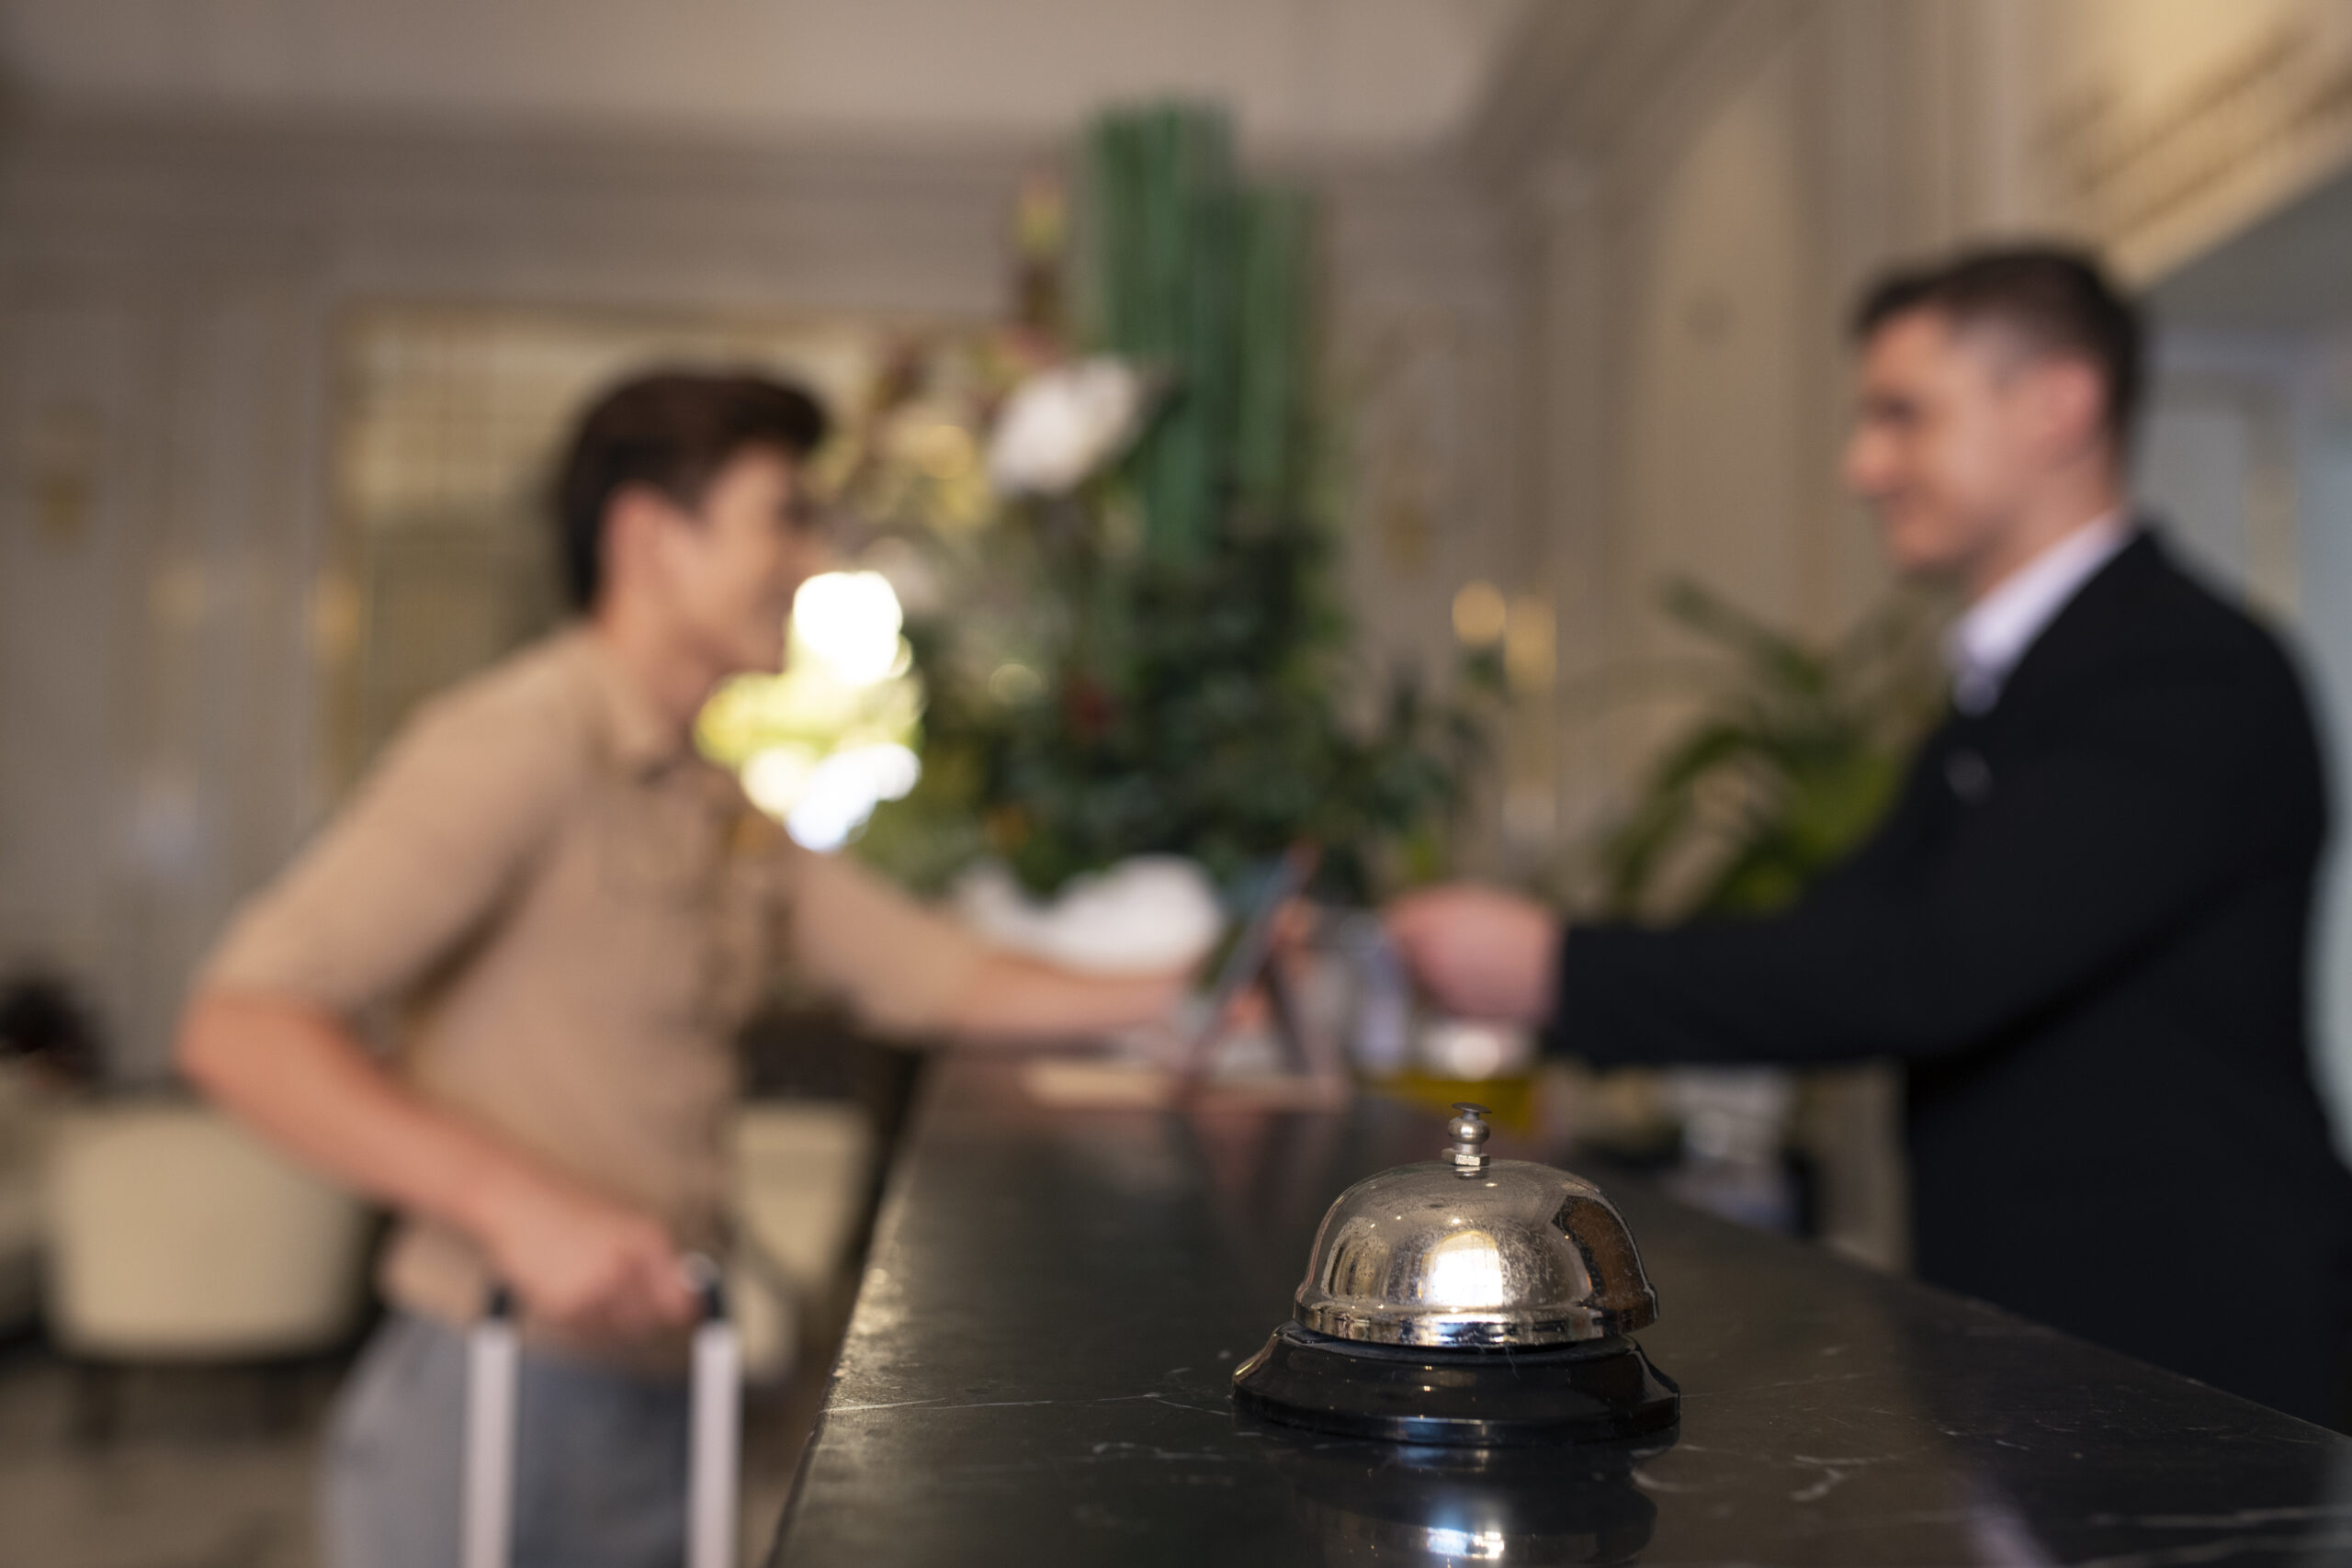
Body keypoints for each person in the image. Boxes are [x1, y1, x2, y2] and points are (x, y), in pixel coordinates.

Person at [176, 371, 1190, 1568]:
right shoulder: (518, 740)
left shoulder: (716, 794)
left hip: (661, 1388)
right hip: (501, 1388)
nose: (811, 563)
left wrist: (1193, 990)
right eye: (782, 517)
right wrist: (520, 1207)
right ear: (650, 535)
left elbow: (935, 973)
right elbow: (240, 1022)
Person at [1387, 247, 2352, 1428]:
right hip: (2055, 1358)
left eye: (1903, 415)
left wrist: (1551, 967)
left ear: (2058, 404)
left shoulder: (2183, 674)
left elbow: (1924, 968)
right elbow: (1835, 936)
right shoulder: (2017, 687)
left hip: (2189, 1361)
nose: (1861, 467)